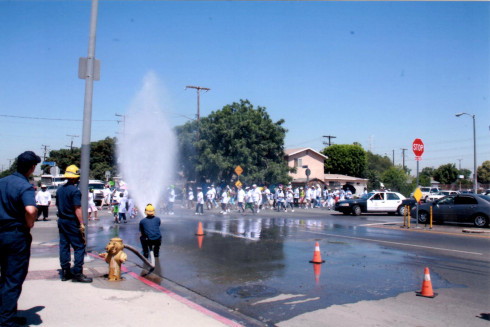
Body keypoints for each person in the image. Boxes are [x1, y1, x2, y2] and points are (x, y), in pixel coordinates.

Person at [0, 151, 40, 327]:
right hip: (15, 236)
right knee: (13, 278)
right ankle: (6, 321)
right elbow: (31, 210)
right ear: (32, 168)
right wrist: (29, 223)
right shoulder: (24, 186)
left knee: (4, 277)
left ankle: (7, 313)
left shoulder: (2, 182)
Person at [56, 164, 92, 283]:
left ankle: (65, 271)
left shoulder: (60, 190)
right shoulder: (75, 191)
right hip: (71, 221)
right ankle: (77, 273)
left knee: (64, 245)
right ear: (74, 178)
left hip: (61, 221)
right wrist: (81, 223)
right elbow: (77, 208)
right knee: (79, 246)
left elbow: (58, 205)